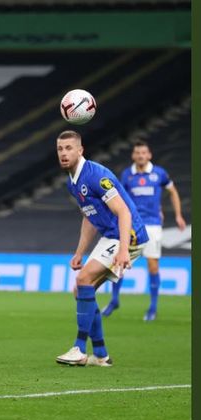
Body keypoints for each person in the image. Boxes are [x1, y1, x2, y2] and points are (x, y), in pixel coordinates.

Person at [54, 130, 149, 367]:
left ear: (80, 150)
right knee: (80, 290)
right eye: (60, 149)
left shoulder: (96, 175)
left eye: (68, 148)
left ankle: (78, 348)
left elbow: (124, 211)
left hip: (130, 235)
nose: (64, 153)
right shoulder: (72, 182)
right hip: (110, 235)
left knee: (84, 279)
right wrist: (79, 252)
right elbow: (89, 216)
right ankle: (101, 354)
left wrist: (124, 250)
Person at [102, 141, 186, 321]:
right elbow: (120, 198)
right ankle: (114, 300)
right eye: (137, 153)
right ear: (133, 156)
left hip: (153, 224)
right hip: (131, 224)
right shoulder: (127, 175)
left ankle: (153, 307)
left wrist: (178, 215)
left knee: (152, 265)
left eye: (143, 153)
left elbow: (173, 191)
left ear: (149, 155)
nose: (140, 155)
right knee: (120, 262)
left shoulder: (159, 173)